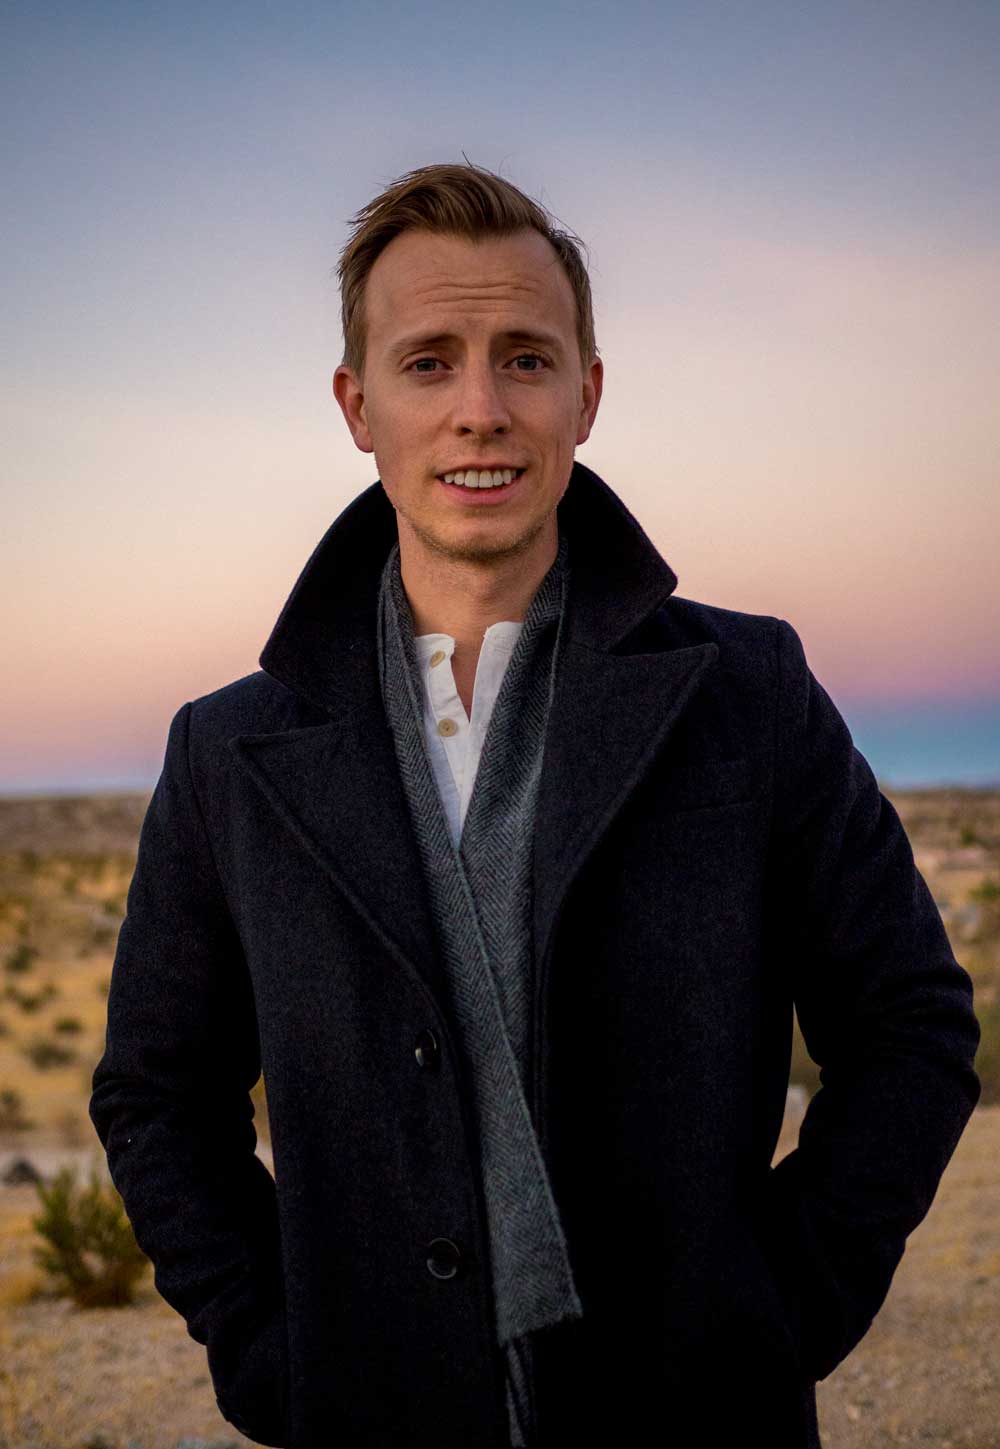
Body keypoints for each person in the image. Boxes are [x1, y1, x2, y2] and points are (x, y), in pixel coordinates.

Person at [89, 161, 981, 1449]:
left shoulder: (749, 692)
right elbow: (158, 1094)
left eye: (524, 358)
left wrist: (777, 1308)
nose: (480, 411)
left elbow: (911, 1022)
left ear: (587, 393)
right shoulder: (229, 752)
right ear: (357, 406)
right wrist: (276, 1346)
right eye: (428, 362)